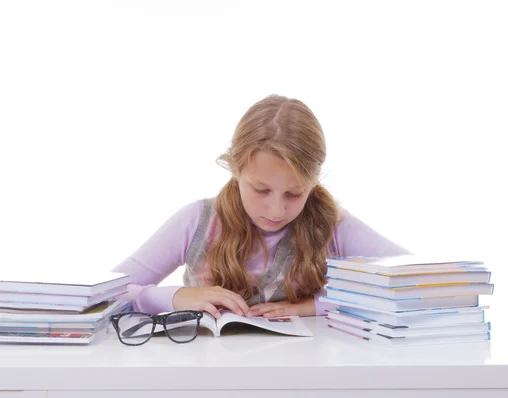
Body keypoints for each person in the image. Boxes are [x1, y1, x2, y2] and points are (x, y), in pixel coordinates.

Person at [112, 94, 409, 320]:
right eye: (261, 189)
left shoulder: (330, 224)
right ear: (235, 169)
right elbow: (105, 293)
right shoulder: (198, 221)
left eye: (294, 194)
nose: (277, 210)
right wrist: (176, 298)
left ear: (314, 181)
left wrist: (317, 305)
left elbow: (418, 280)